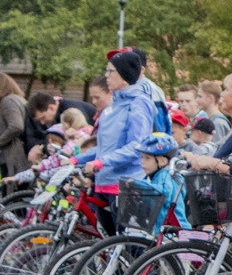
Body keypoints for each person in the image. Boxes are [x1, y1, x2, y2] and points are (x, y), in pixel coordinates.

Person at [75, 50, 157, 230]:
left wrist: (100, 162)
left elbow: (137, 146)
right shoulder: (113, 106)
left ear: (123, 75)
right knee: (110, 247)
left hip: (125, 184)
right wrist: (77, 159)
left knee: (128, 250)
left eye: (110, 70)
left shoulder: (138, 103)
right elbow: (105, 148)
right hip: (104, 182)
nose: (106, 75)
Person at [0, 72, 30, 175]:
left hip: (14, 160)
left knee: (11, 190)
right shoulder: (18, 100)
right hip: (18, 158)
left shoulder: (8, 101)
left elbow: (16, 126)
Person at [23, 92, 61, 163]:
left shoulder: (67, 114)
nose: (42, 122)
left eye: (43, 118)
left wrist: (42, 148)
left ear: (51, 108)